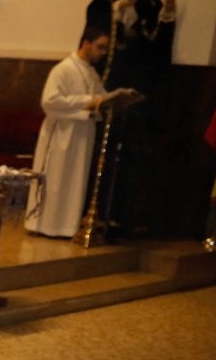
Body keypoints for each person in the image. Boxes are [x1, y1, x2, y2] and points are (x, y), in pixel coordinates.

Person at [85, 0, 178, 239]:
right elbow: (95, 19)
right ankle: (92, 211)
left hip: (135, 79)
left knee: (129, 153)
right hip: (111, 76)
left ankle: (120, 215)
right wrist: (115, 13)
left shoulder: (149, 0)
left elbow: (153, 42)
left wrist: (167, 17)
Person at [24, 26, 136, 238]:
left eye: (105, 48)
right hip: (61, 133)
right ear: (85, 43)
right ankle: (42, 225)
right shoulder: (63, 69)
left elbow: (101, 98)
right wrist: (88, 102)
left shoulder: (90, 72)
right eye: (100, 47)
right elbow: (49, 101)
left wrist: (117, 97)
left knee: (74, 182)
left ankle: (65, 227)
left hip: (83, 134)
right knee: (55, 181)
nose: (103, 52)